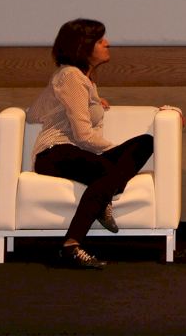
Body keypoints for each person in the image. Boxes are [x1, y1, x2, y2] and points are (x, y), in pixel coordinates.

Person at [26, 18, 160, 270]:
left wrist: (92, 102)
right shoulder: (70, 76)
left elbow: (34, 113)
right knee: (111, 170)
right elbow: (83, 136)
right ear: (83, 47)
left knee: (145, 143)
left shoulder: (82, 80)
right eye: (99, 41)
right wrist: (111, 149)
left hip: (76, 153)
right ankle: (71, 244)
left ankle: (103, 197)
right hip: (55, 152)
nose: (107, 44)